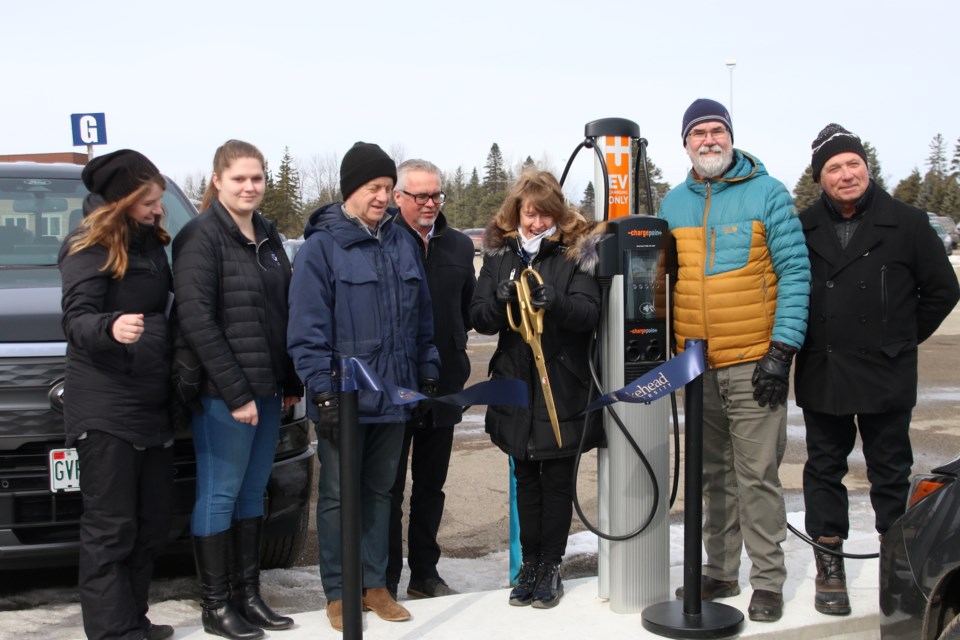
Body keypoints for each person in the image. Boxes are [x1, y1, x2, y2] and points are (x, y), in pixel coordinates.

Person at [795, 124, 960, 616]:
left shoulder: (906, 222)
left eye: (853, 165)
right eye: (834, 169)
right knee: (824, 468)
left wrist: (899, 338)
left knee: (890, 471)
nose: (846, 175)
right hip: (823, 368)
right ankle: (830, 565)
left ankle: (898, 564)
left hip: (886, 371)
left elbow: (942, 291)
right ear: (820, 178)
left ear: (866, 167)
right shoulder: (803, 226)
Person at [658, 99, 810, 622]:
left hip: (752, 363)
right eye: (698, 132)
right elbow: (657, 282)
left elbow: (794, 273)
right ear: (685, 144)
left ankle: (767, 580)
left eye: (716, 130)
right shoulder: (672, 204)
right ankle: (719, 570)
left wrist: (782, 351)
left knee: (757, 475)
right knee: (712, 476)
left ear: (731, 136)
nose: (708, 140)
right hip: (695, 367)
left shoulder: (767, 194)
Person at [287, 142, 440, 632]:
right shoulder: (321, 249)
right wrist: (323, 391)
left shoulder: (401, 243)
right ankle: (338, 590)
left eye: (387, 188)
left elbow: (421, 321)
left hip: (394, 395)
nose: (382, 197)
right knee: (336, 496)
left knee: (380, 492)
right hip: (345, 401)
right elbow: (306, 332)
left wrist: (427, 372)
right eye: (374, 188)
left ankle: (375, 585)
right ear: (351, 190)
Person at [173, 140, 301, 640]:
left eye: (257, 179)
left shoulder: (267, 235)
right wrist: (235, 392)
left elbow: (283, 312)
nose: (250, 187)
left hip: (269, 390)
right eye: (239, 179)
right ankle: (216, 605)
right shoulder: (200, 237)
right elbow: (197, 321)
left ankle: (249, 596)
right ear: (216, 181)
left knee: (253, 493)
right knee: (219, 494)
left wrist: (289, 381)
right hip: (224, 394)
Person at [468, 170, 602, 609]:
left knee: (557, 480)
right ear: (517, 212)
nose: (536, 222)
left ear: (557, 214)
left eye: (545, 214)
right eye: (530, 213)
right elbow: (481, 317)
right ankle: (530, 563)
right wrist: (503, 298)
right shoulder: (500, 254)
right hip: (514, 382)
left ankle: (551, 564)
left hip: (560, 385)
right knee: (525, 475)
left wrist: (556, 302)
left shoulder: (574, 254)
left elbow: (589, 313)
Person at [59, 149, 176, 640]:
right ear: (124, 200)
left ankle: (134, 620)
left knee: (151, 523)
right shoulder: (89, 247)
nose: (157, 209)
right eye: (148, 201)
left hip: (150, 400)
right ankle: (111, 632)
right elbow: (76, 319)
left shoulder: (149, 243)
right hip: (106, 404)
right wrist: (111, 325)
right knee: (111, 528)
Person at [387, 159, 476, 600]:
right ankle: (382, 578)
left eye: (436, 195)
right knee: (387, 488)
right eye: (420, 195)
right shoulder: (382, 240)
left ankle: (424, 572)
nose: (429, 203)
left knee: (430, 487)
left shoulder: (458, 246)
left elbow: (468, 309)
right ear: (397, 196)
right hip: (396, 384)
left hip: (445, 384)